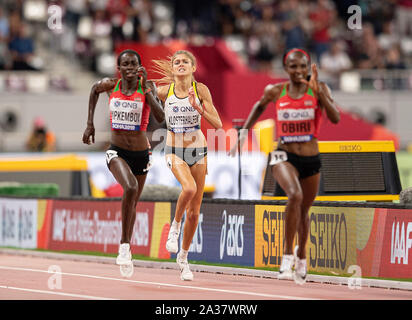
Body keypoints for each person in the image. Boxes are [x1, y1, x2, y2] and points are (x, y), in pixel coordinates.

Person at [230, 48, 340, 285]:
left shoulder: (319, 89)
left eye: (302, 66)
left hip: (311, 158)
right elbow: (258, 107)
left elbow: (335, 118)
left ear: (309, 67)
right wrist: (243, 133)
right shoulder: (276, 90)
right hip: (283, 154)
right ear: (286, 68)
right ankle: (287, 255)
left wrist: (322, 95)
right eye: (293, 66)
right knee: (294, 195)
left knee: (303, 211)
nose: (298, 71)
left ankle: (302, 256)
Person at [82, 49, 164, 277]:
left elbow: (160, 117)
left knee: (132, 202)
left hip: (141, 155)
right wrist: (90, 124)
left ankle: (127, 248)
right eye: (125, 64)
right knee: (130, 187)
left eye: (133, 64)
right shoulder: (111, 85)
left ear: (139, 66)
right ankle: (124, 245)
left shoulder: (148, 87)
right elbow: (93, 89)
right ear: (119, 68)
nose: (129, 68)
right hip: (116, 151)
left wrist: (147, 89)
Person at [153, 50, 222, 281]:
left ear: (193, 68)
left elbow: (218, 124)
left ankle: (183, 257)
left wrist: (198, 107)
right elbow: (144, 97)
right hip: (174, 148)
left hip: (198, 150)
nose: (180, 64)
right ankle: (174, 227)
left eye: (185, 62)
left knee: (195, 212)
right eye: (176, 62)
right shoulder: (164, 91)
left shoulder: (201, 90)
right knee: (189, 188)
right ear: (172, 69)